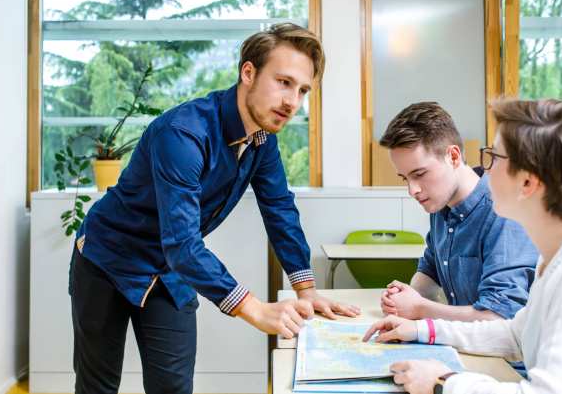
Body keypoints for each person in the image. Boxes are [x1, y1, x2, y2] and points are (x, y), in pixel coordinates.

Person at [69, 23, 360, 394]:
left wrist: (305, 289)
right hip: (106, 259)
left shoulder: (263, 140)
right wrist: (255, 308)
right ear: (248, 72)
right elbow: (183, 244)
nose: (292, 102)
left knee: (173, 388)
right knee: (98, 386)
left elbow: (279, 209)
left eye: (302, 90)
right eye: (284, 82)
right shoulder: (182, 134)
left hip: (168, 270)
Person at [363, 99, 562, 394]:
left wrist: (444, 382)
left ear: (528, 183)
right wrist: (421, 331)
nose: (484, 169)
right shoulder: (560, 256)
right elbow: (514, 334)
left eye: (494, 158)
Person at [377, 102, 538, 324]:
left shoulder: (503, 211)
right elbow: (430, 270)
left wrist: (419, 308)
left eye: (420, 174)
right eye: (405, 178)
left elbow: (499, 316)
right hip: (465, 345)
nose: (412, 190)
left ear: (453, 156)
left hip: (504, 357)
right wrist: (405, 297)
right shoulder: (440, 204)